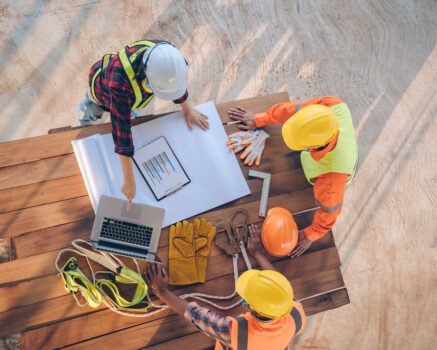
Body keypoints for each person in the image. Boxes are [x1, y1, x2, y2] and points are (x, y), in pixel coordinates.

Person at [76, 39, 209, 209]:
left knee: (128, 111)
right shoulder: (120, 84)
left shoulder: (165, 56)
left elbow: (173, 83)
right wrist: (129, 180)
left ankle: (129, 109)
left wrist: (188, 108)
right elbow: (121, 131)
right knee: (90, 112)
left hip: (126, 97)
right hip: (101, 93)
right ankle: (83, 122)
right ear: (145, 76)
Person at [228, 97, 358, 257]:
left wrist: (311, 234)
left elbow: (331, 212)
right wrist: (260, 119)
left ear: (313, 147)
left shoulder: (331, 181)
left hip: (335, 170)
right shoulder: (332, 105)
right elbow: (292, 110)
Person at [144, 224, 306, 350]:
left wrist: (162, 292)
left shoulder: (235, 332)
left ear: (252, 308)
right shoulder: (296, 312)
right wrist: (258, 254)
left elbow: (197, 316)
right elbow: (276, 287)